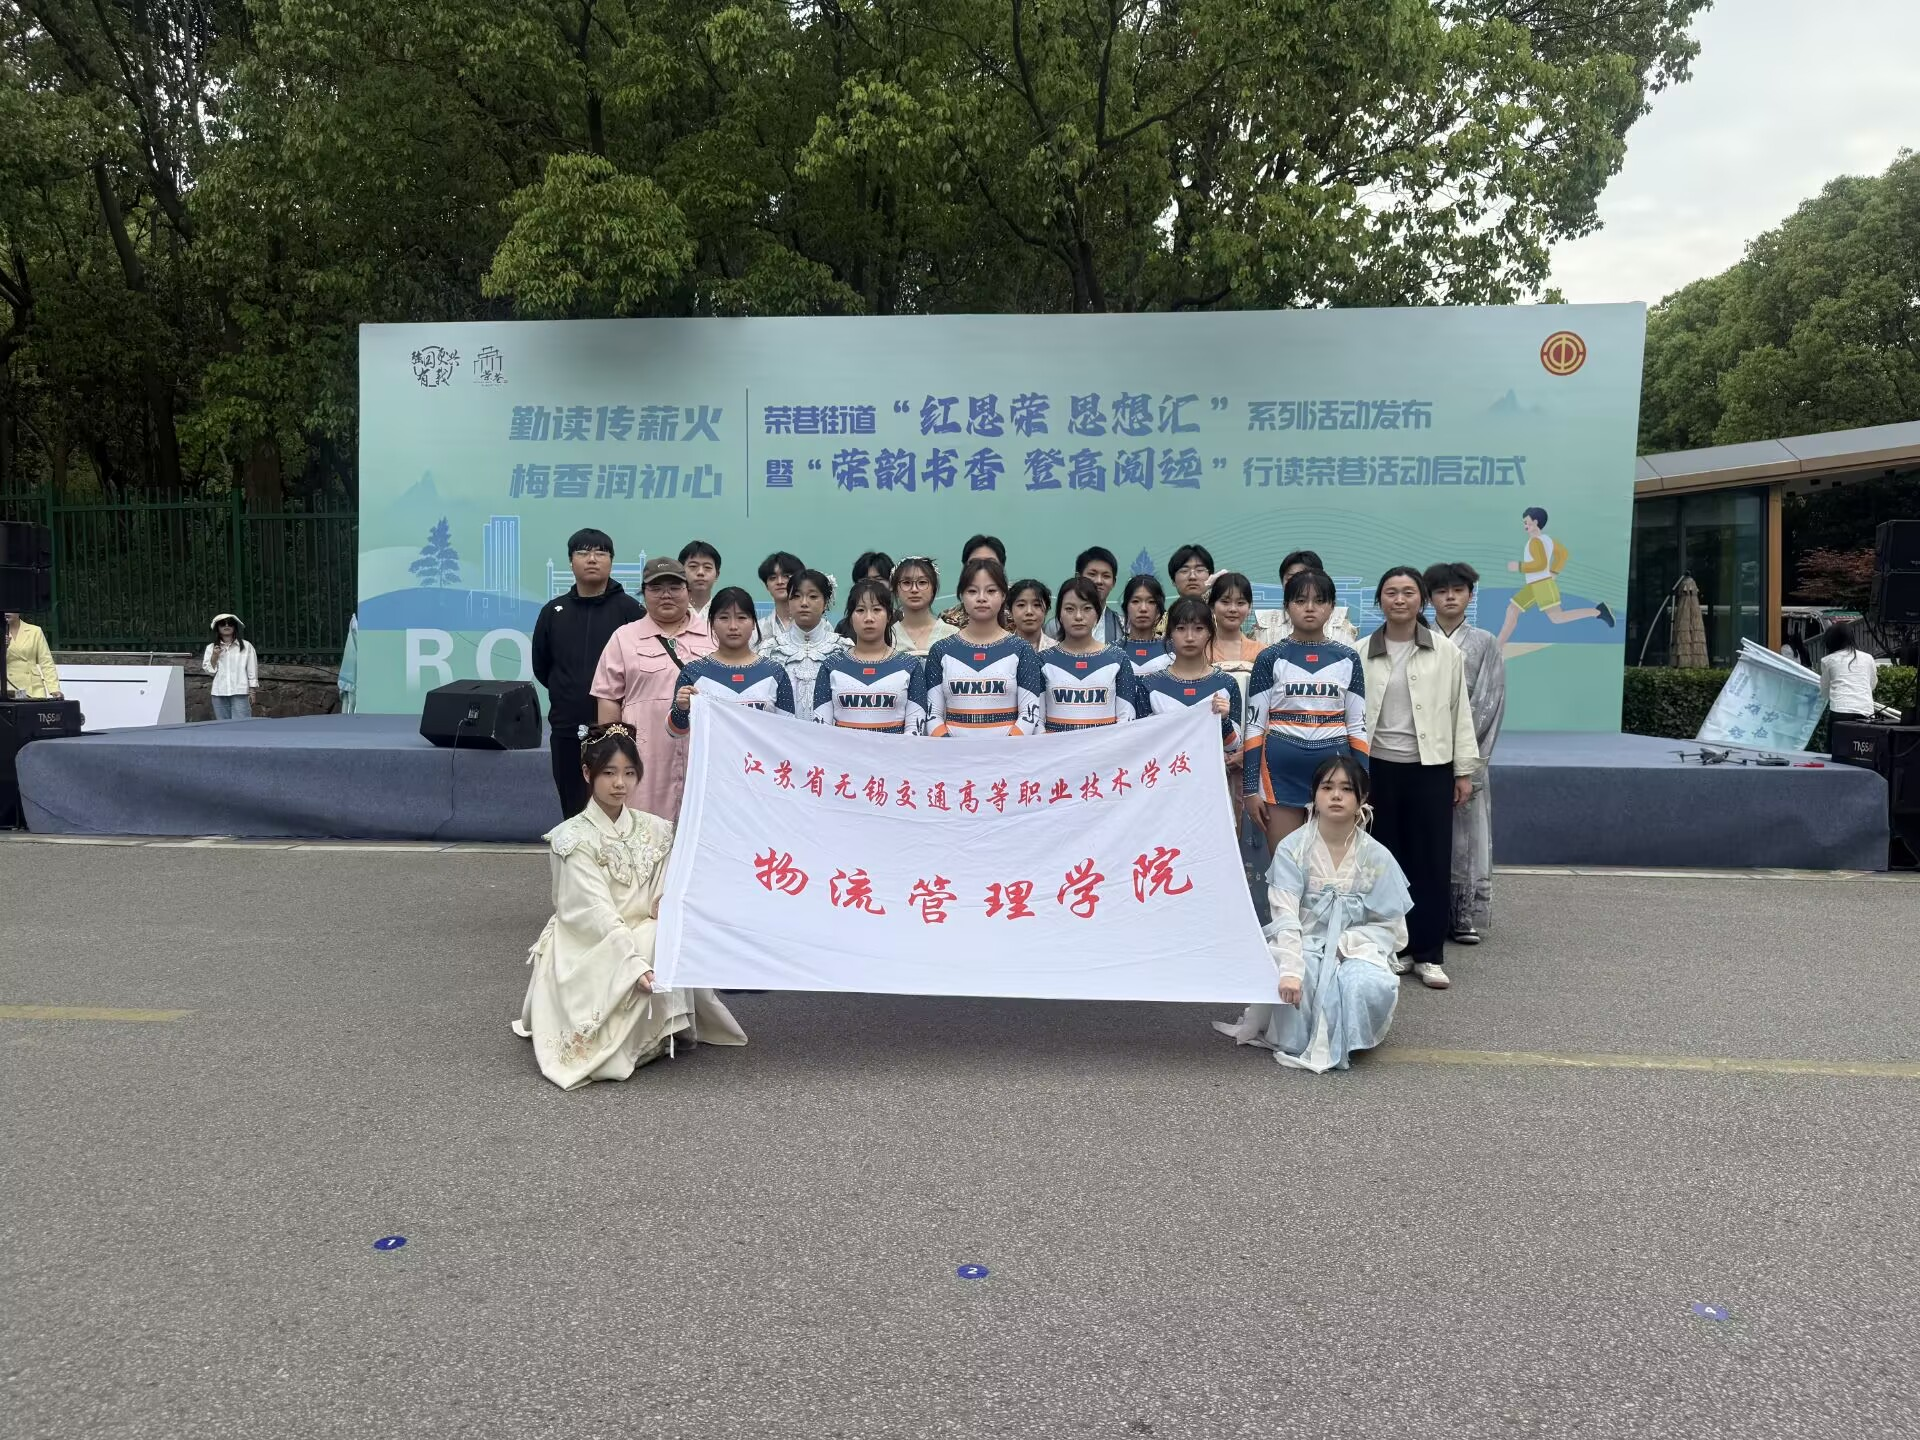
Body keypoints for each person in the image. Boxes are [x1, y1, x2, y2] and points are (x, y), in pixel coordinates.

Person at [512, 724, 747, 1090]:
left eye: (629, 773)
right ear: (587, 773)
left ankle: (659, 1032)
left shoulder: (655, 829)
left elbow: (670, 881)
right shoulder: (572, 838)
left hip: (642, 927)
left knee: (665, 929)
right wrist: (631, 963)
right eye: (608, 773)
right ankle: (638, 1039)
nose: (619, 783)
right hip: (591, 942)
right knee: (650, 942)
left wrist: (666, 899)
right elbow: (593, 911)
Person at [1213, 755, 1409, 1073]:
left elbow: (1391, 926)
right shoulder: (1293, 849)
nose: (1336, 796)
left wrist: (1344, 946)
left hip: (1356, 946)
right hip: (1304, 942)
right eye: (1327, 787)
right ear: (1314, 796)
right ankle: (1304, 1035)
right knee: (1306, 977)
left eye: (1346, 789)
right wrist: (1291, 968)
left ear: (1362, 798)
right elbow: (1285, 915)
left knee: (1361, 982)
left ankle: (1352, 1036)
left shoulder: (1377, 857)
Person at [1361, 567, 1478, 990]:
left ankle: (1428, 953)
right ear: (1379, 600)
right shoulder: (1360, 652)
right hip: (1377, 768)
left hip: (1431, 768)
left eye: (1408, 592)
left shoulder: (1445, 652)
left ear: (1421, 600)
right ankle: (1391, 947)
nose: (1400, 599)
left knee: (1430, 861)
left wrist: (1463, 770)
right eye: (1391, 592)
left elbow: (1459, 711)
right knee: (1383, 862)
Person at [1243, 569, 1368, 852]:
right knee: (1285, 864)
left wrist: (1363, 785)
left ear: (1332, 607)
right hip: (1279, 775)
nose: (1310, 608)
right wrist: (1250, 789)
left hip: (1335, 777)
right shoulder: (1269, 657)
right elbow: (1254, 726)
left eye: (1319, 601)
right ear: (1286, 606)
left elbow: (1358, 727)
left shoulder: (1349, 658)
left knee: (1329, 867)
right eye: (1300, 601)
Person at [592, 556, 717, 819]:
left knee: (700, 825)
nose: (666, 595)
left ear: (688, 591)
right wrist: (613, 753)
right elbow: (608, 698)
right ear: (644, 593)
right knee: (643, 828)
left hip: (703, 752)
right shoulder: (624, 637)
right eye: (656, 588)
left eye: (674, 587)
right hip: (644, 755)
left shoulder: (713, 633)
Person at [533, 528, 646, 817]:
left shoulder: (631, 611)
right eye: (583, 553)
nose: (592, 559)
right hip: (567, 728)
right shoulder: (553, 611)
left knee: (617, 806)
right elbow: (542, 667)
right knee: (573, 808)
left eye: (600, 553)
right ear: (571, 562)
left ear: (611, 561)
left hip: (617, 729)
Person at [1425, 562, 1507, 946]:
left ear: (1470, 595)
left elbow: (1490, 701)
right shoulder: (1417, 638)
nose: (1450, 597)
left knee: (1465, 840)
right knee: (1424, 837)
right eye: (1441, 591)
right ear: (1430, 598)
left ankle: (1462, 916)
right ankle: (1423, 916)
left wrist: (1466, 758)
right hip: (1421, 752)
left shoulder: (1485, 642)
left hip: (1465, 753)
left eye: (1458, 590)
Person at [925, 557, 1044, 737]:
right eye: (972, 591)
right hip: (953, 753)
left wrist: (1002, 750)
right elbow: (932, 715)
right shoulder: (941, 650)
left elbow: (1029, 715)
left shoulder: (1022, 650)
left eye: (991, 591)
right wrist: (951, 748)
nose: (981, 598)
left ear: (1003, 596)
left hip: (1009, 753)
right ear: (961, 596)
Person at [667, 587, 795, 735]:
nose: (733, 626)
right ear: (712, 623)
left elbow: (788, 732)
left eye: (742, 618)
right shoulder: (693, 672)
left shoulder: (774, 672)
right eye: (724, 618)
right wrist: (681, 709)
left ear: (754, 622)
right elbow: (675, 733)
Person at [814, 579, 929, 734]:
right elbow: (821, 732)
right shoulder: (831, 666)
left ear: (889, 616)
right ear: (850, 618)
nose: (869, 618)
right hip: (843, 751)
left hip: (896, 750)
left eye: (876, 609)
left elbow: (915, 731)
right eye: (860, 610)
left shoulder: (910, 666)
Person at [1135, 595, 1241, 754]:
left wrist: (1224, 720)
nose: (1190, 637)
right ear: (1170, 633)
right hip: (1166, 770)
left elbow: (1232, 746)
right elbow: (1139, 742)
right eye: (1181, 628)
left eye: (1198, 628)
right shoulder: (1150, 685)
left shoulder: (1227, 684)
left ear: (1210, 632)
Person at [1495, 506, 1615, 647]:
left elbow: (1540, 564)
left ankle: (1598, 611)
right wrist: (1554, 572)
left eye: (1526, 522)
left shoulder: (1535, 542)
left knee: (1557, 618)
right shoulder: (1547, 539)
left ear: (1535, 522)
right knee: (1512, 609)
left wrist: (1519, 566)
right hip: (1535, 585)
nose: (1525, 526)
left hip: (1542, 585)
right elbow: (1563, 553)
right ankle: (1498, 646)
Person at [1040, 577, 1136, 731]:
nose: (1078, 616)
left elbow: (1126, 718)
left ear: (1097, 614)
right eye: (1070, 609)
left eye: (1087, 608)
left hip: (1105, 746)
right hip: (1056, 747)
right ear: (1059, 615)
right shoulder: (1042, 660)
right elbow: (1037, 720)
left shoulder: (1118, 658)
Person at [761, 568, 849, 706]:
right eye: (796, 596)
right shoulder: (770, 650)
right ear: (789, 602)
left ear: (825, 602)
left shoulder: (843, 649)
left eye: (812, 596)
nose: (804, 603)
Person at [1256, 550, 1360, 647]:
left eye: (1305, 576)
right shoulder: (1265, 626)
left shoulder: (1341, 626)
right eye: (1291, 578)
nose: (1300, 583)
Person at [1044, 546, 1124, 643]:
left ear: (1113, 583)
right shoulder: (1054, 627)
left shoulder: (1122, 625)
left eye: (1106, 576)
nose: (1099, 581)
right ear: (1078, 577)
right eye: (1092, 574)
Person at [892, 556, 957, 657]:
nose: (914, 589)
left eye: (922, 582)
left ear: (933, 589)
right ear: (896, 590)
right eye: (906, 583)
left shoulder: (951, 635)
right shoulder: (887, 637)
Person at [1819, 621, 1879, 728]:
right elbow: (1872, 684)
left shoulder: (1828, 660)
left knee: (1837, 739)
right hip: (1866, 711)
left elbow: (1825, 691)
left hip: (1840, 710)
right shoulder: (1868, 658)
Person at [939, 535, 1009, 626]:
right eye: (974, 563)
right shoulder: (947, 621)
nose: (982, 567)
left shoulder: (1019, 614)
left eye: (991, 563)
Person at [203, 614, 259, 719]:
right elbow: (210, 672)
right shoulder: (211, 648)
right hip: (219, 693)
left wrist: (252, 691)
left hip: (240, 692)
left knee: (242, 725)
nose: (226, 626)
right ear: (217, 627)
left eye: (230, 623)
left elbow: (252, 670)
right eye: (222, 623)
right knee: (223, 726)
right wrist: (215, 655)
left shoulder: (246, 646)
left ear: (235, 627)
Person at [1120, 574, 1172, 676]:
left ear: (1159, 610)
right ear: (1126, 607)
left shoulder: (1172, 651)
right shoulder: (1112, 652)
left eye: (1151, 602)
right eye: (1135, 601)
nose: (1143, 608)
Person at [4, 611, 60, 699]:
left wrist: (54, 689)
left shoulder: (35, 631)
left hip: (33, 688)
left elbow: (46, 662)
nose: (7, 612)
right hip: (7, 688)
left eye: (10, 608)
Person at [756, 550, 806, 642]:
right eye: (773, 578)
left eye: (786, 576)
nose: (780, 582)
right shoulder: (758, 629)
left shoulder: (818, 626)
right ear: (767, 586)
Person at [678, 540, 722, 622]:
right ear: (681, 572)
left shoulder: (723, 612)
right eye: (693, 566)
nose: (700, 572)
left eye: (707, 567)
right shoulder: (672, 610)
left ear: (717, 575)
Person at [1008, 578, 1056, 652]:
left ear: (1046, 610)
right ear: (1010, 612)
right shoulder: (999, 650)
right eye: (1021, 605)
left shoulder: (1057, 651)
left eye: (1037, 605)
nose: (1029, 612)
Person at [336, 613, 359, 714]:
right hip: (354, 670)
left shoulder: (355, 622)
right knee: (351, 698)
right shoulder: (355, 623)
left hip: (354, 669)